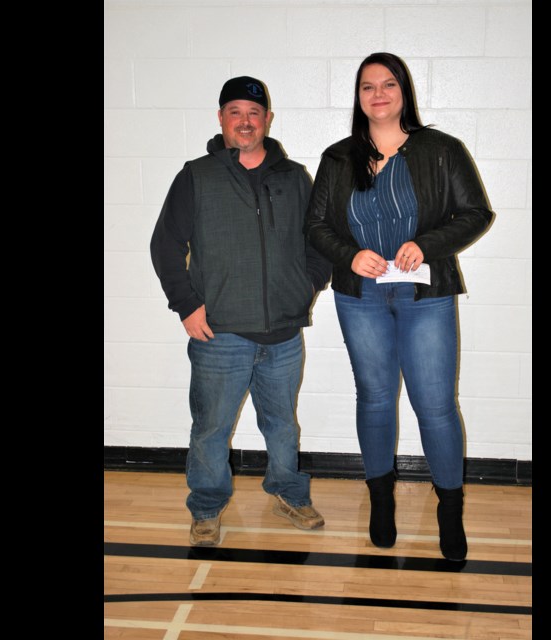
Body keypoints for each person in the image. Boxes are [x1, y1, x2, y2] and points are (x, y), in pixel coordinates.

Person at [305, 53, 495, 561]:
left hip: (425, 295)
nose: (379, 94)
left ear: (404, 91)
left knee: (435, 405)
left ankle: (449, 509)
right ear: (358, 96)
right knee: (374, 398)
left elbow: (477, 212)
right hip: (360, 295)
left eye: (388, 84)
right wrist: (351, 254)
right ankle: (381, 500)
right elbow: (316, 226)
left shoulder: (441, 150)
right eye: (368, 86)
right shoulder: (339, 157)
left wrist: (428, 244)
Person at [151, 76, 331, 546]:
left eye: (254, 113)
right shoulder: (197, 175)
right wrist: (187, 306)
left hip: (284, 335)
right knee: (210, 428)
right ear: (221, 119)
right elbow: (165, 245)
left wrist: (306, 287)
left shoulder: (294, 178)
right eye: (235, 112)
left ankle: (289, 492)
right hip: (220, 335)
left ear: (267, 120)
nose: (246, 122)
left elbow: (320, 243)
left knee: (282, 424)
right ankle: (207, 507)